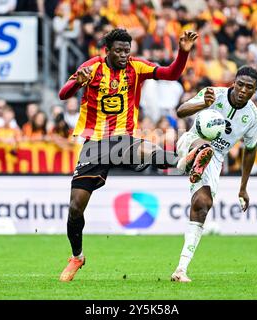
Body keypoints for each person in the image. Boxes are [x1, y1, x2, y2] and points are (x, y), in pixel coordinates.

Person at [57, 28, 198, 282]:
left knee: (140, 146)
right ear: (107, 51)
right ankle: (77, 256)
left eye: (127, 50)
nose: (124, 55)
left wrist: (183, 53)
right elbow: (63, 94)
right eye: (119, 50)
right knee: (75, 208)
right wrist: (77, 82)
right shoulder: (92, 68)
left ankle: (183, 161)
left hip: (123, 138)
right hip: (95, 144)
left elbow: (171, 73)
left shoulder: (137, 67)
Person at [171, 66, 257, 282]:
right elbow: (181, 111)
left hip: (215, 158)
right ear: (233, 83)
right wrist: (203, 104)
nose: (242, 90)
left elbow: (250, 151)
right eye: (240, 84)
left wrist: (243, 187)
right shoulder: (214, 94)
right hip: (192, 139)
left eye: (248, 88)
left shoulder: (253, 117)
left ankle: (181, 269)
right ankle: (190, 158)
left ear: (254, 91)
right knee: (204, 146)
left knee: (203, 205)